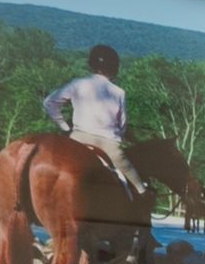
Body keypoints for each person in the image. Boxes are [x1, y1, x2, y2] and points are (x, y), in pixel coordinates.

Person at [42, 44, 142, 200]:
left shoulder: (77, 83)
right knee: (134, 180)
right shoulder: (119, 92)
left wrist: (64, 126)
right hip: (108, 144)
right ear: (114, 67)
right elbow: (122, 124)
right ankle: (142, 195)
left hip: (77, 139)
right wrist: (121, 136)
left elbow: (49, 102)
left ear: (91, 64)